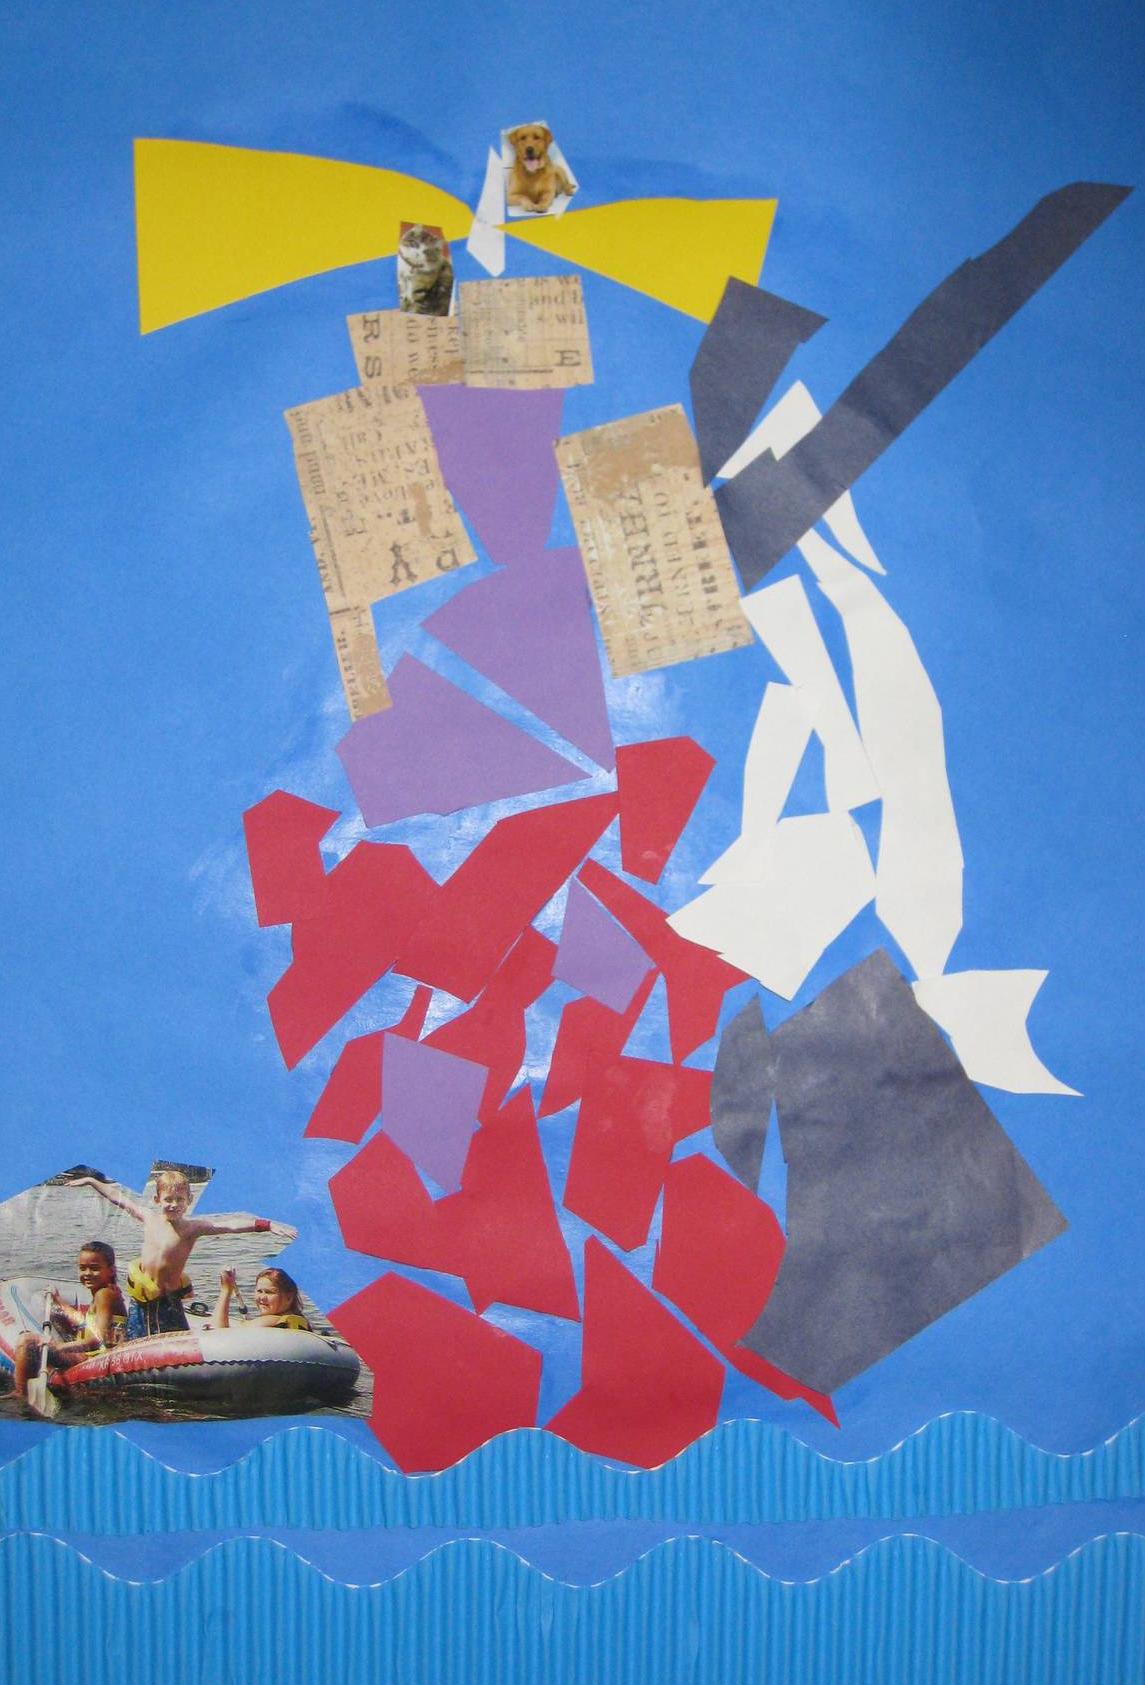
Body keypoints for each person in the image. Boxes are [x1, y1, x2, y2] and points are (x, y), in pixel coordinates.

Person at [70, 1170, 295, 1339]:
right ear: (157, 1200)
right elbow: (118, 1198)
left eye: (180, 1199)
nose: (174, 1204)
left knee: (176, 1340)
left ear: (189, 1201)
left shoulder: (192, 1228)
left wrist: (266, 1225)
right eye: (168, 1199)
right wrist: (92, 1181)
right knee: (136, 1341)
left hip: (169, 1300)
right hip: (141, 1299)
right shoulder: (149, 1218)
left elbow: (230, 1225)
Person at [13, 1240, 127, 1398]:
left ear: (111, 1270)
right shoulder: (105, 1292)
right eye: (82, 1268)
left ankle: (20, 1394)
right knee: (55, 1321)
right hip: (93, 1353)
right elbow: (84, 1322)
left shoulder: (104, 1295)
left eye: (94, 1268)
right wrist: (58, 1300)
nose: (87, 1273)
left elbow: (97, 1339)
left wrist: (60, 1347)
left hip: (93, 1357)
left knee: (27, 1342)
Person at [212, 1266, 312, 1331]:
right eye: (259, 1291)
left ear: (289, 1297)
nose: (262, 1298)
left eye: (269, 1292)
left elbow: (218, 1331)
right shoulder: (301, 1322)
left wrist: (226, 1290)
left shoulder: (272, 1321)